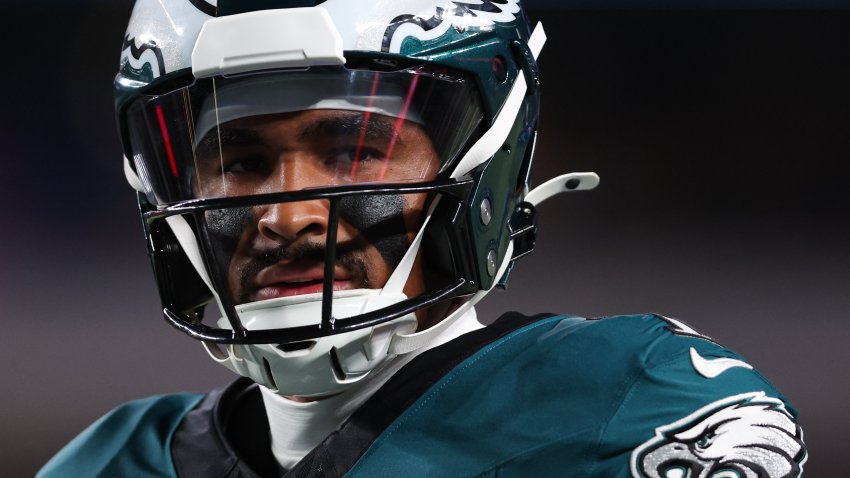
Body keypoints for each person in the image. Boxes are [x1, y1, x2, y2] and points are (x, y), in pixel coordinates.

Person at [40, 1, 807, 476]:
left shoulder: (626, 404)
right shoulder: (110, 459)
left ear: (485, 168)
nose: (286, 217)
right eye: (241, 163)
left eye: (353, 150)